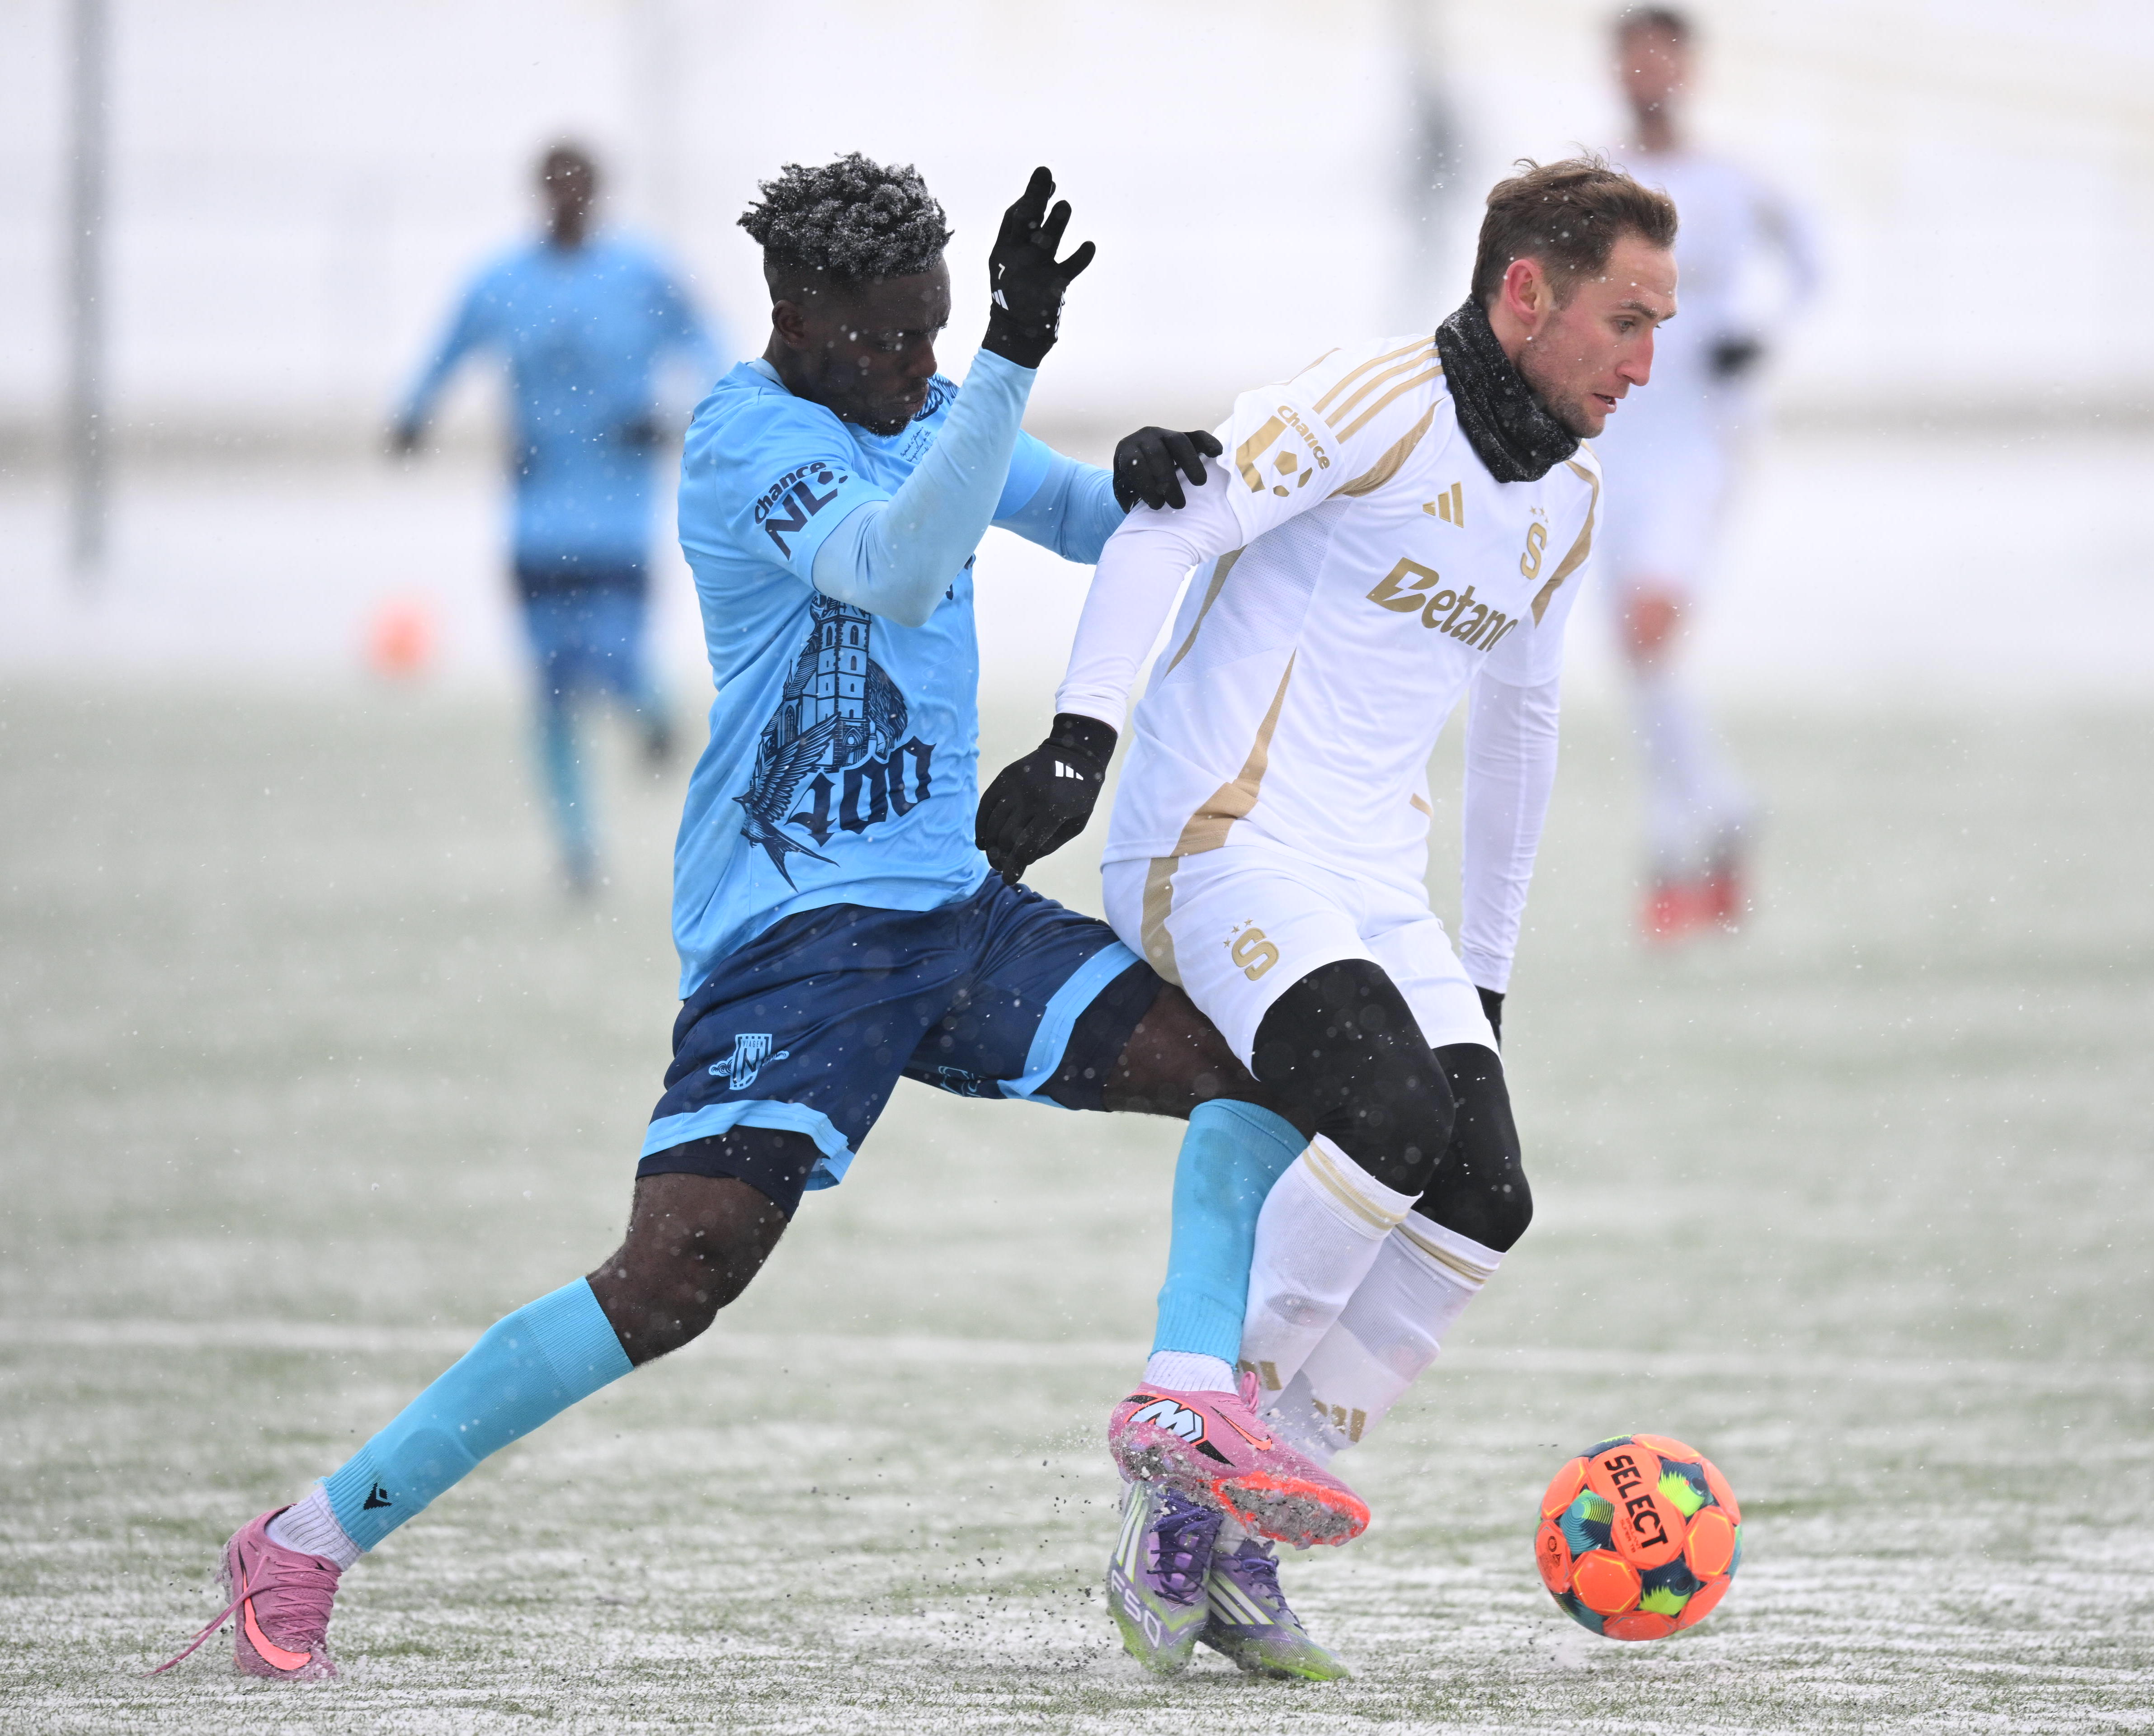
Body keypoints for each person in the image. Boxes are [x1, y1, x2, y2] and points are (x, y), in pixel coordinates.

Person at [155, 156, 1343, 1685]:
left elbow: (1065, 509)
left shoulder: (923, 400)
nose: (916, 363)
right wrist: (1003, 360)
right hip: (797, 939)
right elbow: (900, 569)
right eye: (889, 336)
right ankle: (305, 1540)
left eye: (934, 330)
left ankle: (1185, 1449)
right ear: (795, 313)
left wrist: (1147, 472)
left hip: (952, 918)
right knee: (671, 1283)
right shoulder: (746, 440)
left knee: (1248, 1074)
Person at [979, 156, 1678, 1679]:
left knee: (1484, 1192)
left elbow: (1521, 727)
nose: (1644, 363)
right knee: (1390, 1113)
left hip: (1366, 880)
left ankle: (1236, 1521)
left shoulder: (1567, 495)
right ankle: (1194, 1449)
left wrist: (1484, 975)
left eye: (1660, 329)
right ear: (1526, 293)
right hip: (1214, 840)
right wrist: (1081, 742)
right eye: (1627, 322)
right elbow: (1162, 526)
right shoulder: (1373, 401)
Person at [392, 142, 719, 895]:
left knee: (609, 658)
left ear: (599, 193)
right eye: (556, 186)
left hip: (619, 518)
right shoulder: (502, 282)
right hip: (537, 519)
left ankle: (650, 711)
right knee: (551, 691)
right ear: (539, 191)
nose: (569, 199)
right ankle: (578, 850)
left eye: (581, 186)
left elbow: (711, 348)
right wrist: (412, 415)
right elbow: (450, 347)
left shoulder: (644, 276)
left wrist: (685, 417)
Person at [1603, 7, 1819, 941]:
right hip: (1606, 443)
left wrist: (1758, 335)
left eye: (1663, 57)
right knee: (1636, 653)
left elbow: (1813, 262)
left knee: (1650, 631)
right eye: (1634, 57)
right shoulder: (1598, 184)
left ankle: (1680, 834)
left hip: (1696, 446)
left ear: (1688, 68)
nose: (1649, 73)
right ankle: (1711, 824)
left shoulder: (1731, 182)